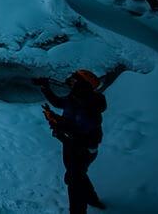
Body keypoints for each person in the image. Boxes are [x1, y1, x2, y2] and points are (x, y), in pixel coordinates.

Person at [36, 70, 108, 213]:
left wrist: (57, 123)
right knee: (77, 176)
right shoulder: (75, 98)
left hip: (82, 149)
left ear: (83, 84)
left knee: (74, 180)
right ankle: (92, 200)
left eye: (74, 80)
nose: (70, 82)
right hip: (72, 145)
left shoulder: (89, 106)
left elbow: (79, 131)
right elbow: (59, 103)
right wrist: (45, 87)